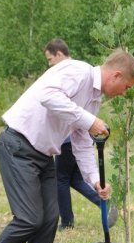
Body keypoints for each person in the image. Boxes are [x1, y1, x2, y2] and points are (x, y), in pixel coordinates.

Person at [0, 48, 134, 243]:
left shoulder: (94, 100)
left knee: (49, 219)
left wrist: (95, 180)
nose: (124, 93)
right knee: (29, 218)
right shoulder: (78, 71)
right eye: (126, 87)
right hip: (18, 146)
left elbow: (82, 142)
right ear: (116, 75)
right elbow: (48, 95)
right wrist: (88, 119)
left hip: (43, 156)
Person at [44, 38, 118, 230]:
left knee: (61, 179)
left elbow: (56, 102)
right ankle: (105, 202)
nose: (49, 64)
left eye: (50, 59)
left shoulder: (75, 73)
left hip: (68, 140)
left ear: (59, 54)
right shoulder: (77, 73)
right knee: (76, 179)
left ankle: (67, 221)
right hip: (72, 139)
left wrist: (88, 123)